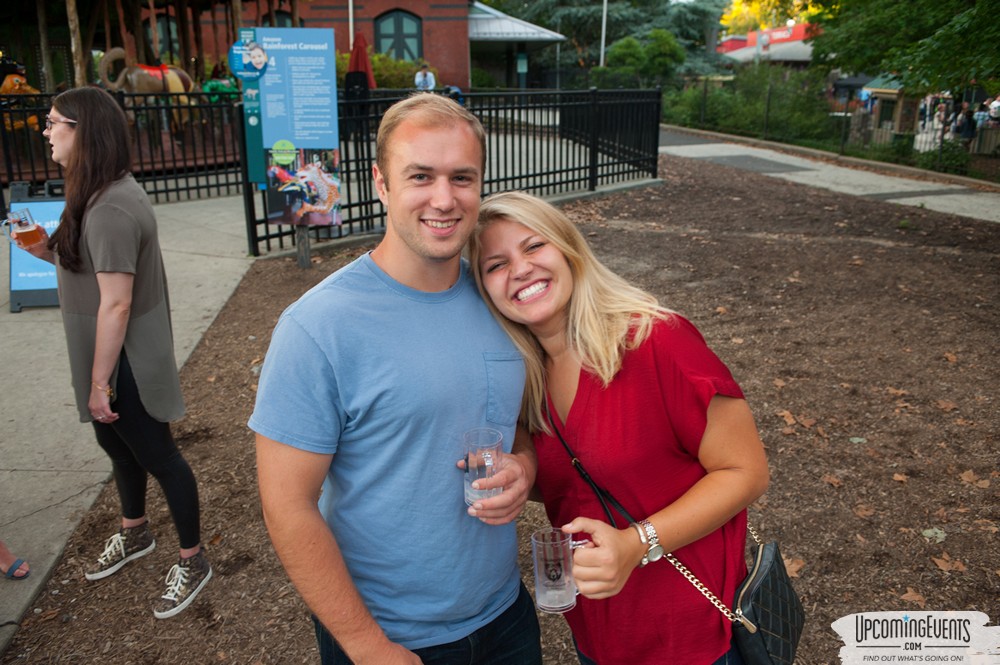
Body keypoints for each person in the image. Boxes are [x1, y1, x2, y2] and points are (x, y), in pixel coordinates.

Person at [250, 93, 542, 665]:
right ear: (382, 184)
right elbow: (287, 505)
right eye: (421, 176)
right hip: (389, 637)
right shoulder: (318, 327)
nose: (444, 198)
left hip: (506, 616)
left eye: (462, 177)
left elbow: (515, 424)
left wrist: (524, 467)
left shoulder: (501, 299)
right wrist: (365, 645)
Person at [469, 191, 771, 664]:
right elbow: (572, 478)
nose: (521, 269)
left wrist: (636, 544)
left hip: (687, 635)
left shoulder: (657, 341)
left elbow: (746, 472)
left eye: (533, 246)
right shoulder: (524, 379)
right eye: (496, 265)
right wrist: (519, 474)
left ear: (568, 249)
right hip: (598, 633)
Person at [13, 87, 211, 619]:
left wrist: (101, 384)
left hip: (124, 360)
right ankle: (135, 531)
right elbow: (82, 255)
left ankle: (193, 559)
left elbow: (117, 305)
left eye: (54, 122)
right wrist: (42, 248)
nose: (46, 130)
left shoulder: (110, 208)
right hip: (105, 355)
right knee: (117, 445)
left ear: (84, 132)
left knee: (160, 458)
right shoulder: (95, 191)